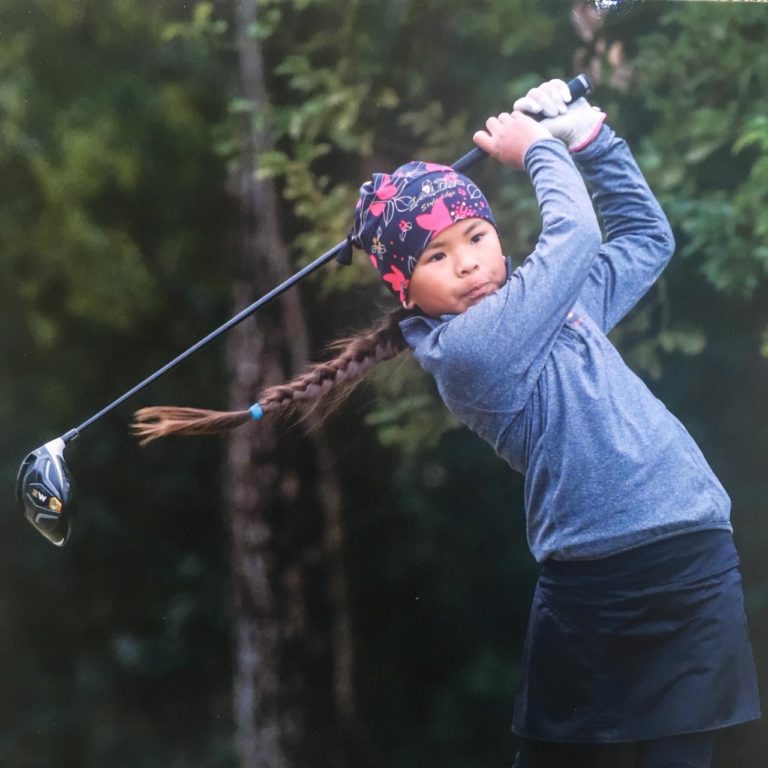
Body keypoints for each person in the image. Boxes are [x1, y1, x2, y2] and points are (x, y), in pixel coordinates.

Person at [133, 80, 760, 767]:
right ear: (405, 289)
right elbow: (576, 232)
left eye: (476, 237)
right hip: (597, 591)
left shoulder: (553, 305)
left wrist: (590, 138)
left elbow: (646, 237)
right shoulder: (470, 350)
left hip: (695, 559)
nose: (465, 262)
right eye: (435, 256)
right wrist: (538, 151)